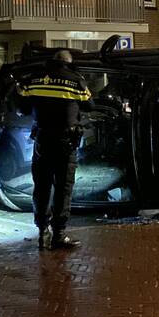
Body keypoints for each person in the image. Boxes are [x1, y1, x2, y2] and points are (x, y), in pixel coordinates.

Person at [17, 50, 92, 250]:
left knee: (41, 187)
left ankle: (42, 232)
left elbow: (21, 106)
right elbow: (90, 105)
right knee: (63, 187)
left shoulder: (33, 79)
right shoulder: (76, 80)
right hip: (66, 142)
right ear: (68, 63)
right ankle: (59, 233)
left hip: (42, 140)